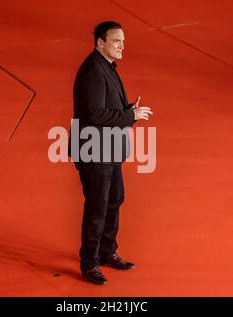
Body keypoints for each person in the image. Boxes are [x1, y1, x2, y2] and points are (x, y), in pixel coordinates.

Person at [69, 21, 153, 285]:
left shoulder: (106, 66)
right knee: (97, 207)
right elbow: (94, 113)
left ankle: (107, 252)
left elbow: (105, 106)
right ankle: (89, 263)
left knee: (114, 199)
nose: (122, 46)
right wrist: (129, 115)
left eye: (123, 41)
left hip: (108, 148)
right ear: (100, 43)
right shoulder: (94, 70)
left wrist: (127, 110)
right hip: (95, 150)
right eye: (116, 41)